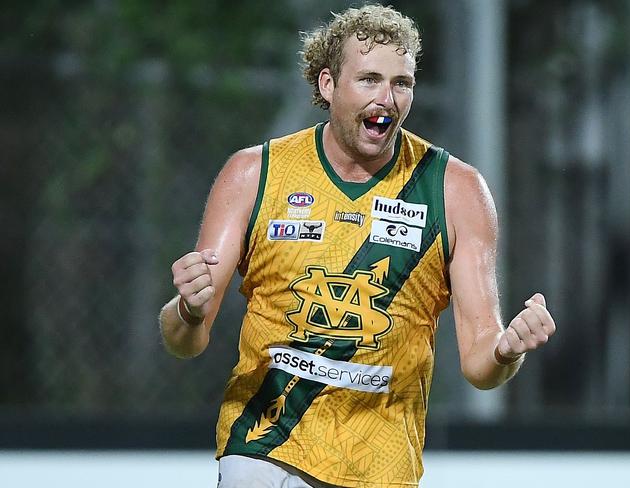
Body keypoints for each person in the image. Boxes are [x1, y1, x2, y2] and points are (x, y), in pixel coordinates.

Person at [159, 4, 556, 487]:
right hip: (263, 450)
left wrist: (508, 351)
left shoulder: (455, 190)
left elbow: (480, 362)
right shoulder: (253, 174)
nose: (386, 98)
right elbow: (185, 342)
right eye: (369, 79)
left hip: (381, 468)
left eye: (401, 83)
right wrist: (188, 311)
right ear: (328, 85)